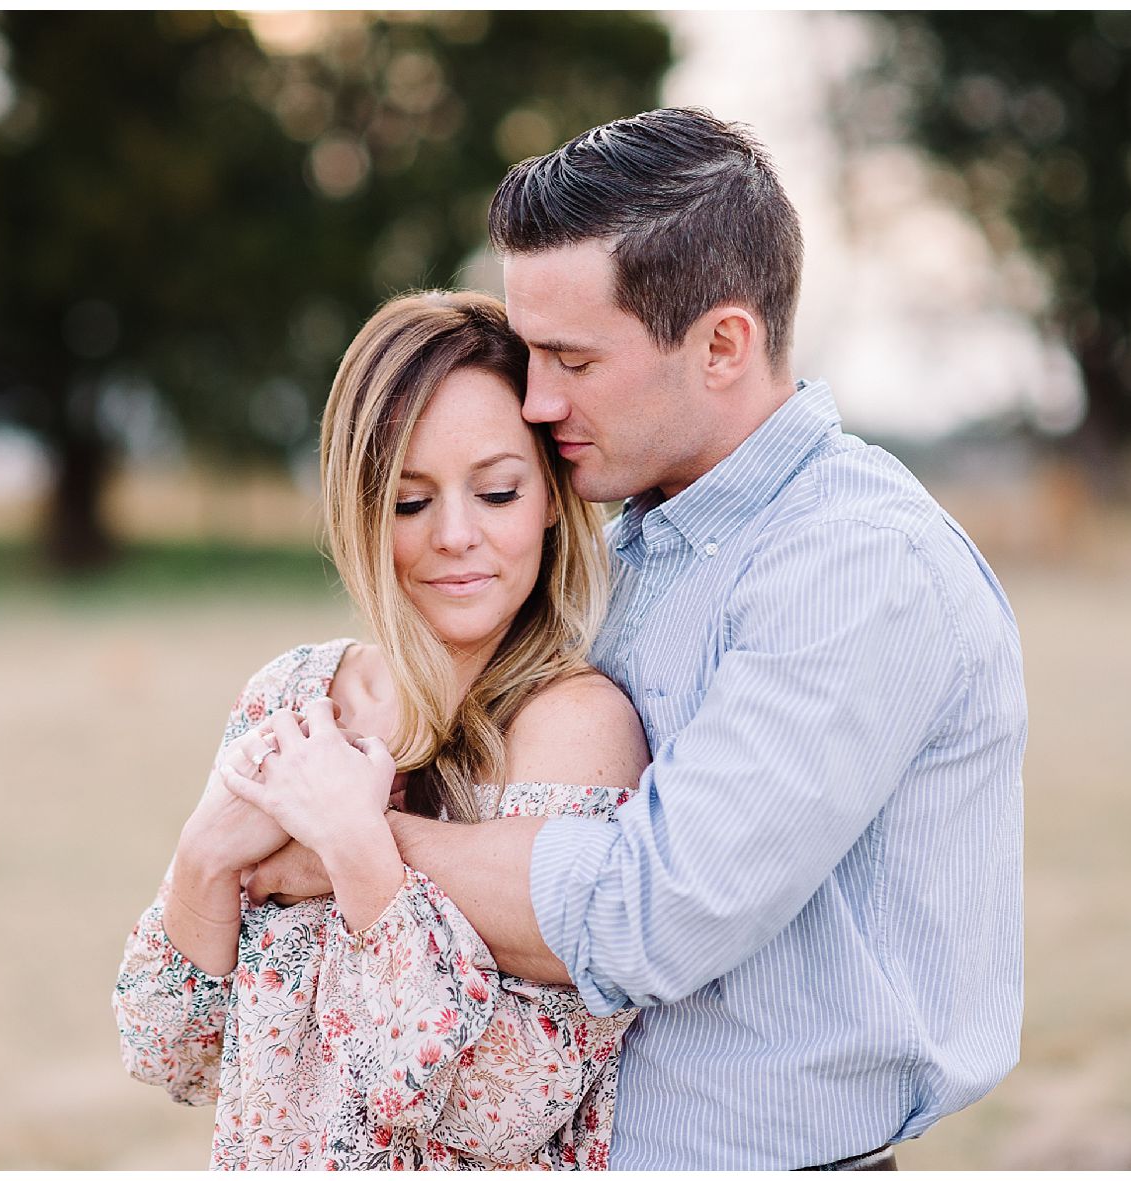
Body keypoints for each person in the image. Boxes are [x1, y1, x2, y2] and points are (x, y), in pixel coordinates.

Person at [241, 107, 1029, 1170]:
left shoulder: (857, 569)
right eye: (531, 354)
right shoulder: (619, 547)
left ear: (722, 345)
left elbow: (646, 917)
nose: (535, 398)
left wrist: (350, 841)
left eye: (571, 358)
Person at [113, 291, 650, 1169]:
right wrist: (205, 856)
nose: (456, 535)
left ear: (552, 498)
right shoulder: (296, 695)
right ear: (359, 509)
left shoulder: (576, 729)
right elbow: (169, 1047)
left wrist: (354, 853)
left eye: (497, 492)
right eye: (408, 501)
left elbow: (504, 1107)